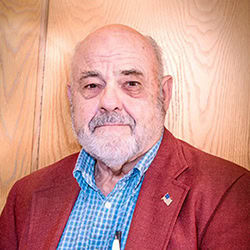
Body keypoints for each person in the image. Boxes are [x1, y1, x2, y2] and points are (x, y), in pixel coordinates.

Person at [0, 24, 249, 250]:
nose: (109, 102)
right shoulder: (25, 196)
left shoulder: (231, 193)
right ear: (70, 99)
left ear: (164, 94)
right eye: (91, 85)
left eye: (131, 83)